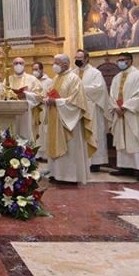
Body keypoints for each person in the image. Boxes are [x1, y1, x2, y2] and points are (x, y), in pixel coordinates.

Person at [43, 54, 95, 184]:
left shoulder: (74, 79)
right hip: (55, 117)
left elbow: (76, 101)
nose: (54, 65)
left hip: (69, 120)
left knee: (70, 147)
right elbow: (50, 94)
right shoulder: (55, 78)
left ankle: (69, 176)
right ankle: (55, 173)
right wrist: (47, 100)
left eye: (57, 62)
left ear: (65, 64)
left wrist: (57, 102)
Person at [109, 52, 139, 181]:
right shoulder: (116, 77)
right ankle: (125, 167)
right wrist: (115, 107)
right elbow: (112, 95)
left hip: (133, 113)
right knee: (122, 140)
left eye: (123, 60)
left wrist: (125, 107)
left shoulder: (138, 75)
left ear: (130, 61)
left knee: (137, 139)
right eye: (118, 60)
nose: (120, 62)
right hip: (120, 113)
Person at [74, 50, 112, 173]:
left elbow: (99, 89)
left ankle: (95, 162)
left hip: (92, 108)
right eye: (76, 57)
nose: (77, 60)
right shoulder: (73, 73)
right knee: (79, 135)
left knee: (94, 133)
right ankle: (81, 160)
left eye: (80, 57)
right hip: (76, 109)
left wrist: (80, 90)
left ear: (86, 59)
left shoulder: (95, 73)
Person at [8, 57, 44, 142]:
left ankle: (27, 153)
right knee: (12, 134)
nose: (18, 65)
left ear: (24, 65)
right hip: (11, 112)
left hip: (27, 112)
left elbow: (40, 96)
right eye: (16, 63)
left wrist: (26, 94)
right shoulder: (8, 79)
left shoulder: (32, 79)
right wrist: (12, 95)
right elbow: (2, 95)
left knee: (26, 135)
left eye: (20, 63)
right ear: (13, 65)